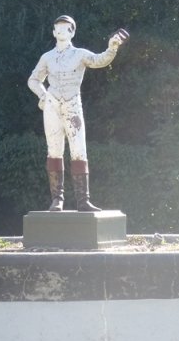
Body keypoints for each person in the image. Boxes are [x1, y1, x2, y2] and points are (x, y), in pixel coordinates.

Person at [28, 15, 127, 212]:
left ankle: (83, 201)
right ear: (53, 31)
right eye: (58, 27)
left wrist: (112, 47)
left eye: (66, 27)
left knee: (79, 150)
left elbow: (100, 60)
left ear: (72, 32)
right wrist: (44, 95)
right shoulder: (47, 57)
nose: (61, 30)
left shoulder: (80, 54)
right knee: (54, 150)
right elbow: (33, 79)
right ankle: (57, 200)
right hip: (52, 106)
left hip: (73, 105)